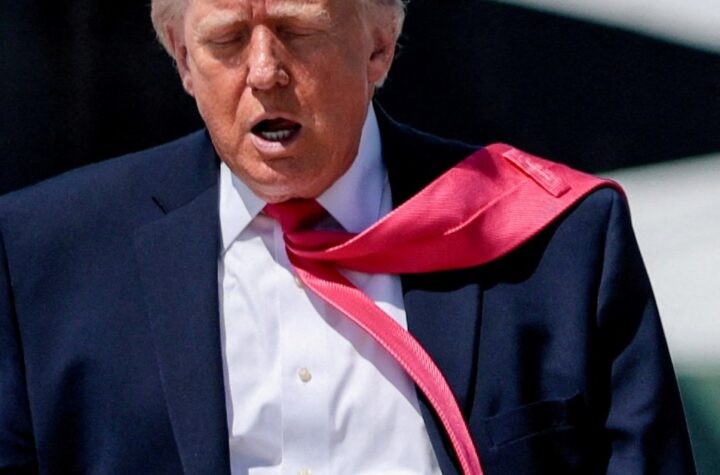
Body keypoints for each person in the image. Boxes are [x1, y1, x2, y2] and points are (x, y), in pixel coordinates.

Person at [0, 0, 695, 473]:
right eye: (227, 41)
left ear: (379, 47)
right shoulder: (43, 259)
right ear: (183, 58)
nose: (264, 73)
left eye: (298, 32)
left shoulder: (556, 242)